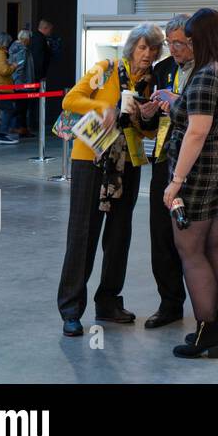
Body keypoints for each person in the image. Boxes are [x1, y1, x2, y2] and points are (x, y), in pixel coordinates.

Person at [57, 23, 162, 338]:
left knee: (119, 236)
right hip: (91, 160)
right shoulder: (108, 68)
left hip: (127, 163)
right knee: (83, 235)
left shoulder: (148, 83)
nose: (148, 54)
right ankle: (71, 310)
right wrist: (102, 106)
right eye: (143, 47)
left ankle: (108, 302)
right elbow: (71, 100)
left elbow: (147, 132)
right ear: (132, 47)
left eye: (154, 49)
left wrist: (146, 116)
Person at [162, 9, 218, 359]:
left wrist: (176, 182)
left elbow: (197, 132)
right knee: (216, 245)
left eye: (191, 38)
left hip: (200, 174)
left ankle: (205, 330)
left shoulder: (205, 77)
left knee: (191, 250)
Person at [139, 14, 192, 330]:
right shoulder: (162, 70)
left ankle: (206, 305)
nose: (173, 49)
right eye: (170, 43)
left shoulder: (206, 71)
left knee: (195, 239)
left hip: (199, 164)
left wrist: (176, 102)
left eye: (179, 43)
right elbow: (150, 124)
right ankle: (169, 302)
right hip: (164, 159)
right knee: (161, 236)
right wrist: (146, 114)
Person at [28, 18, 60, 134]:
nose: (51, 32)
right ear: (45, 28)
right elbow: (39, 59)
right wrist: (41, 75)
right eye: (50, 30)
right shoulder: (39, 40)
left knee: (33, 102)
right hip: (37, 76)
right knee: (33, 102)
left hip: (36, 75)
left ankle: (30, 125)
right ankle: (31, 125)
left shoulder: (35, 38)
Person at [8, 30, 36, 139]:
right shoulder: (22, 50)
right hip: (23, 83)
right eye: (29, 38)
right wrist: (19, 82)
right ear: (26, 39)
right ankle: (18, 128)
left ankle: (21, 129)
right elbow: (20, 67)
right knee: (22, 108)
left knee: (21, 107)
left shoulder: (14, 48)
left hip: (19, 83)